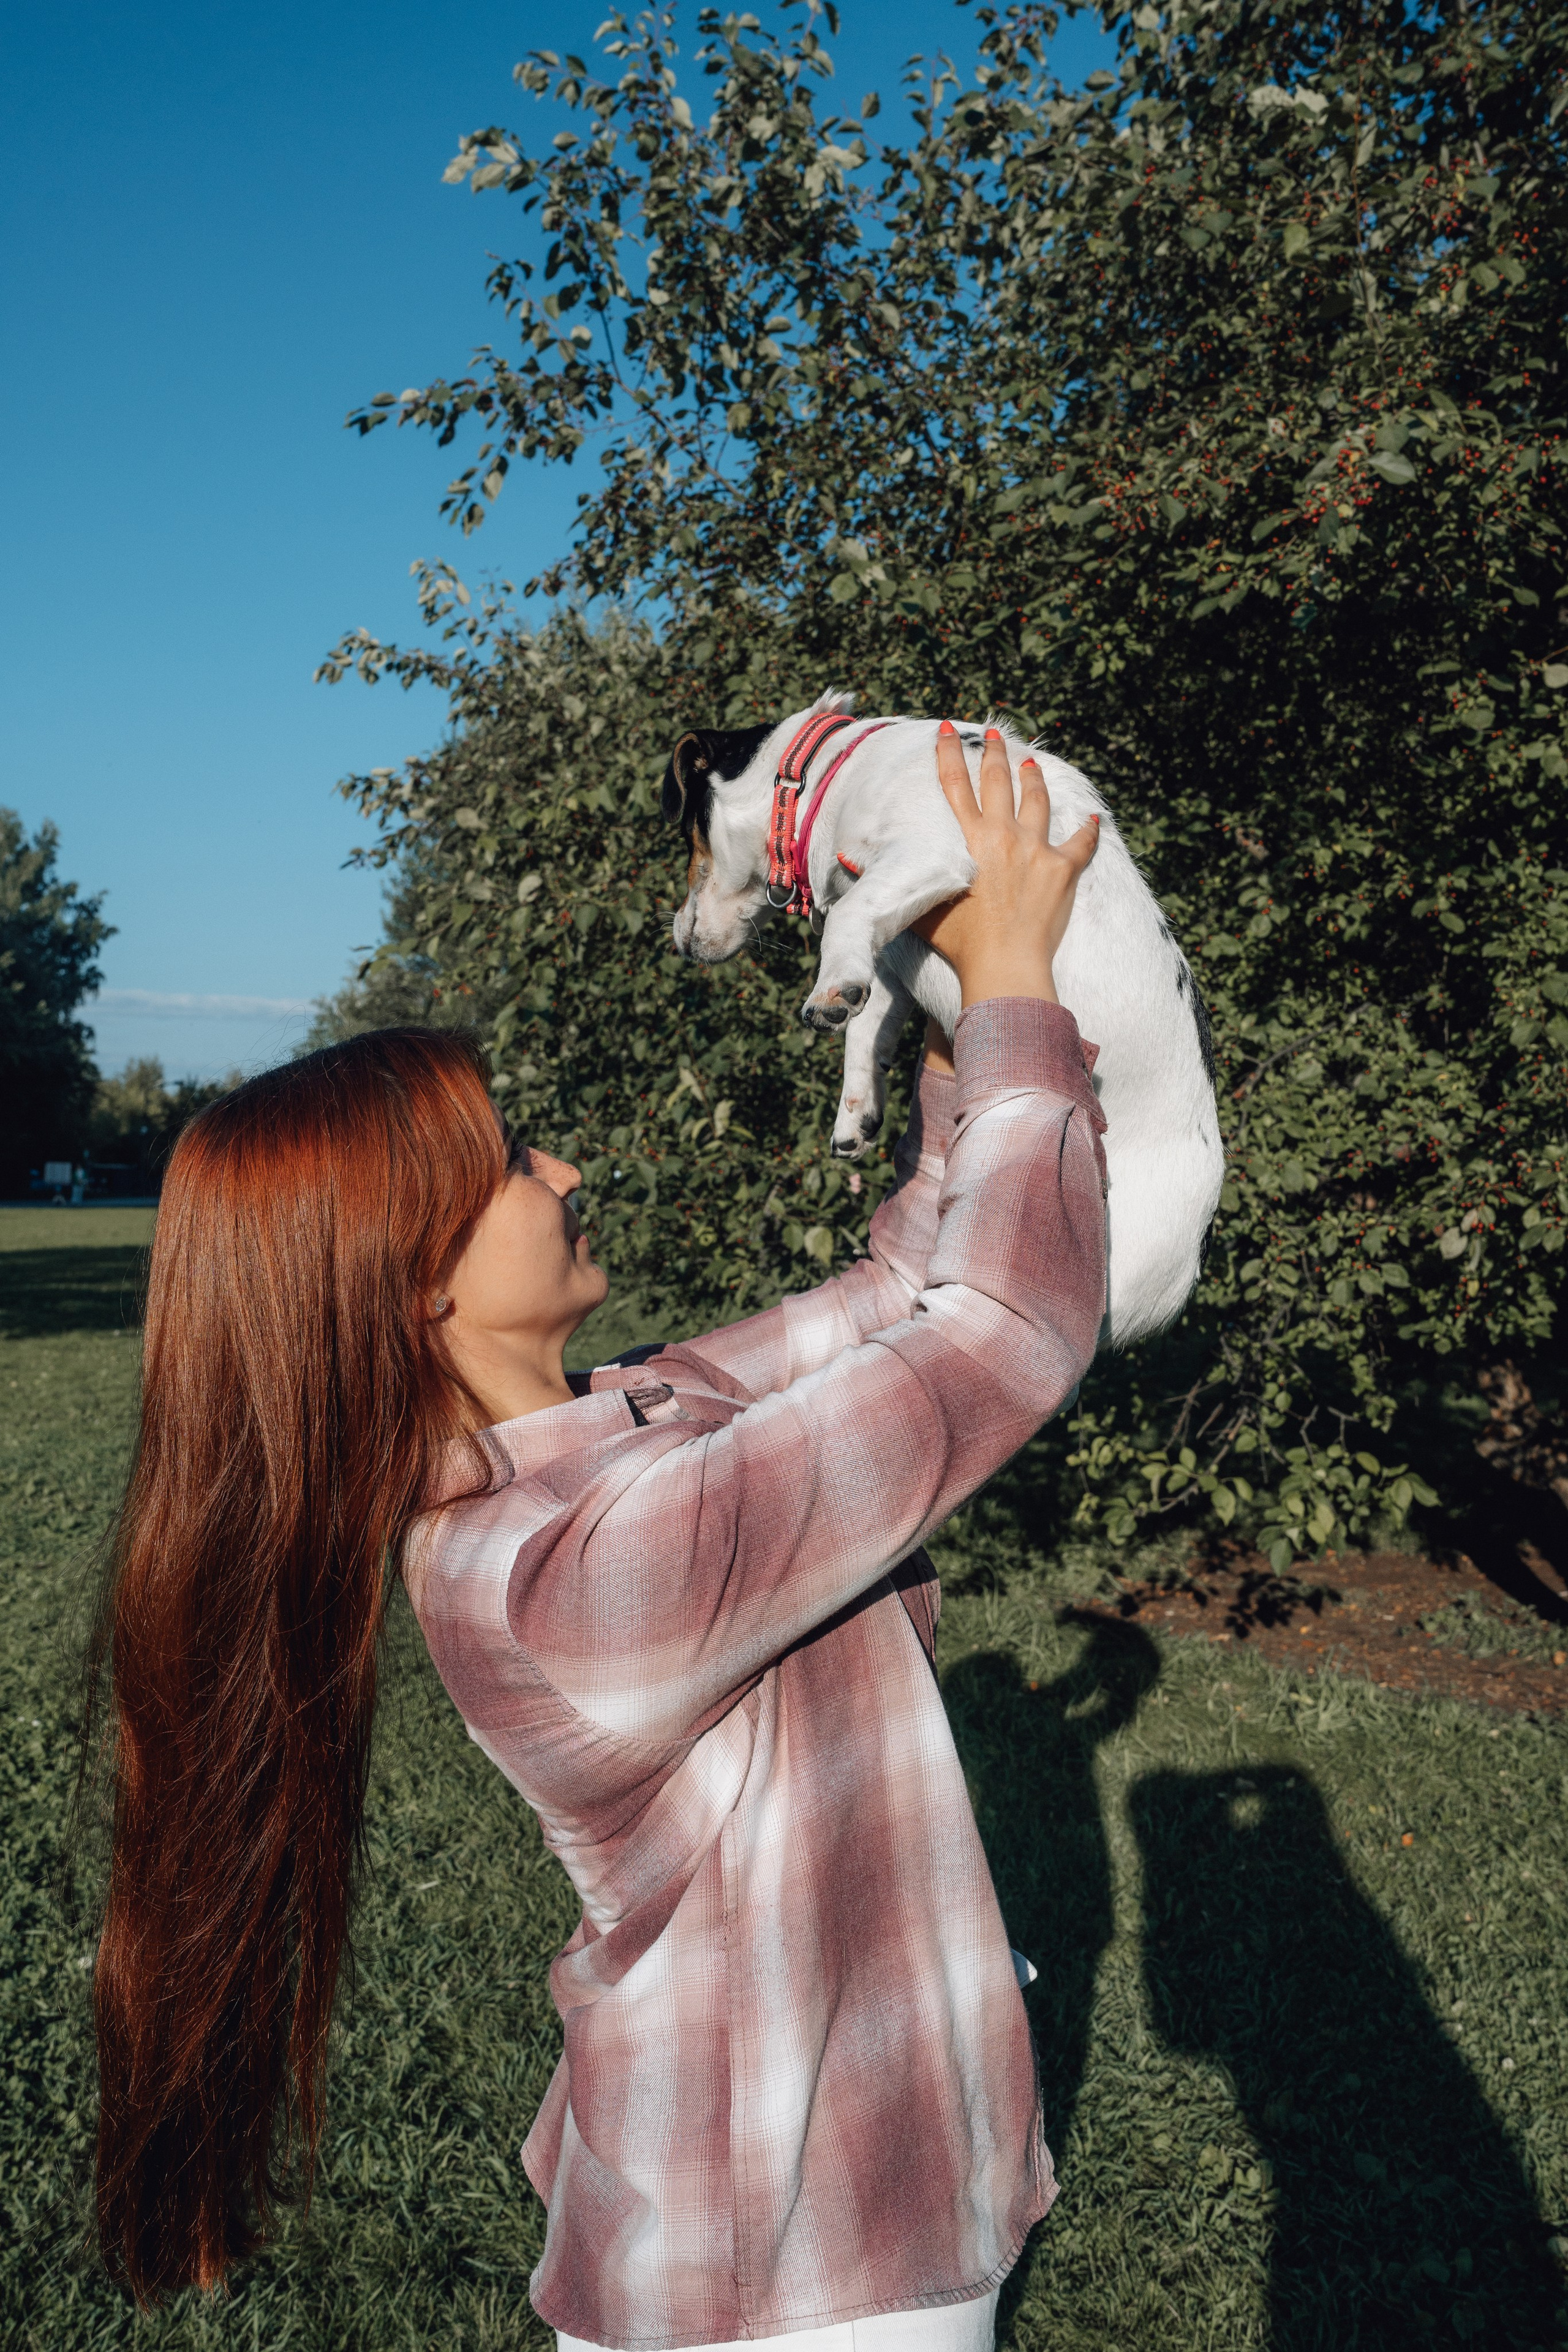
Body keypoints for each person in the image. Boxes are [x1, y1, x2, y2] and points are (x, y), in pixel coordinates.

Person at [90, 726, 1105, 2346]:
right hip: (790, 2271)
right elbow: (1003, 1337)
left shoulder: (620, 1422)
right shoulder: (566, 1576)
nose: (559, 1168)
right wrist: (1020, 991)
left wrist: (948, 998)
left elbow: (896, 1299)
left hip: (830, 2185)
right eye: (507, 1161)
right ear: (413, 1281)